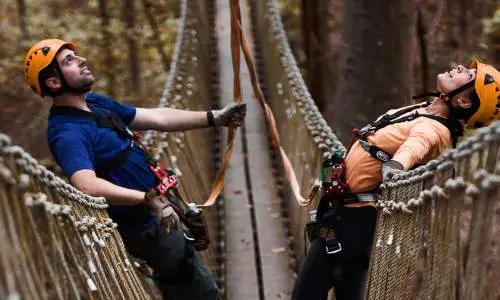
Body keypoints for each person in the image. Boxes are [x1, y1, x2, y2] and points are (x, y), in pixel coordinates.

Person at [24, 39, 246, 300]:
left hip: (161, 210)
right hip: (144, 225)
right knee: (199, 290)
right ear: (53, 82)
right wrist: (146, 200)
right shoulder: (66, 132)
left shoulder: (95, 103)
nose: (82, 60)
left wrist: (213, 117)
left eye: (76, 55)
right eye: (69, 61)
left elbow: (156, 117)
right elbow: (85, 184)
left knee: (189, 283)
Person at [291, 60, 500, 300]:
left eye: (469, 74)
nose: (461, 67)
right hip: (351, 216)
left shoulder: (435, 129)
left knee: (306, 292)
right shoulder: (425, 108)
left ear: (463, 101)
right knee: (347, 288)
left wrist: (397, 165)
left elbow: (417, 145)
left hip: (350, 220)